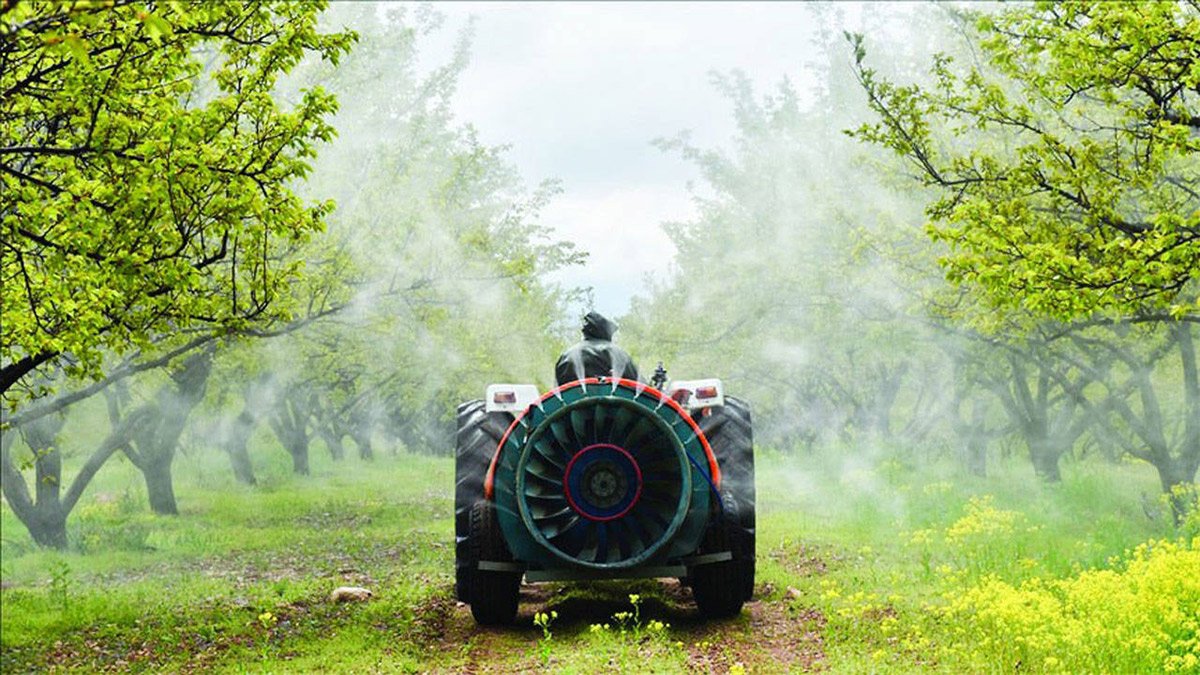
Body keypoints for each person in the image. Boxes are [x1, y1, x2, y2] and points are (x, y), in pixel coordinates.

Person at [554, 311, 640, 385]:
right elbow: (639, 386)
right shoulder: (619, 354)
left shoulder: (566, 356)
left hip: (573, 399)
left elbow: (557, 390)